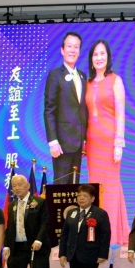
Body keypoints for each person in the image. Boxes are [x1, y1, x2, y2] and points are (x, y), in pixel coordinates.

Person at [84, 39, 129, 246]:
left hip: (110, 142)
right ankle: (97, 230)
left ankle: (111, 234)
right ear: (91, 59)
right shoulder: (87, 83)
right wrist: (83, 141)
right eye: (95, 54)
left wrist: (119, 142)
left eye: (102, 53)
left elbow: (121, 113)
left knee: (110, 187)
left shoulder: (115, 80)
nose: (99, 57)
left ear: (108, 57)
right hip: (92, 144)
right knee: (96, 187)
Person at [59, 184, 111, 268]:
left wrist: (102, 254)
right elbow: (65, 234)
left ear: (92, 198)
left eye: (85, 196)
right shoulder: (72, 213)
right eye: (79, 195)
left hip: (91, 254)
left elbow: (105, 235)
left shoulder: (100, 213)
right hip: (73, 254)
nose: (81, 198)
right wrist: (62, 253)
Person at [44, 31, 88, 184]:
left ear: (79, 51)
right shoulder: (55, 75)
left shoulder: (82, 76)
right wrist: (53, 141)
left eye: (76, 47)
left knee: (75, 189)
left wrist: (84, 139)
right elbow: (49, 109)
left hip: (78, 144)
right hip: (62, 144)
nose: (72, 50)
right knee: (61, 189)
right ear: (62, 50)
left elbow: (83, 109)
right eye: (69, 46)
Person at [4, 175, 51, 268]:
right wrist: (6, 246)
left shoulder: (39, 202)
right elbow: (10, 227)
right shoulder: (12, 205)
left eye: (20, 185)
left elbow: (44, 223)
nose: (17, 188)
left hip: (36, 247)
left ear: (28, 186)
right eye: (14, 186)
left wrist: (38, 240)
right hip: (17, 248)